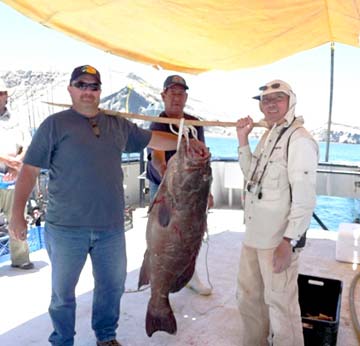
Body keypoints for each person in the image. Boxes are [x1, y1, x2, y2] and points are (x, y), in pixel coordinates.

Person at [9, 65, 207, 346]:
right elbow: (29, 170)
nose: (88, 91)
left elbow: (154, 139)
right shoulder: (54, 124)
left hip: (111, 228)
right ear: (71, 89)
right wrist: (17, 214)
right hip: (66, 228)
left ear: (100, 91)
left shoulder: (117, 124)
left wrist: (188, 141)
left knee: (111, 288)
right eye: (82, 84)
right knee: (62, 294)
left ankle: (106, 337)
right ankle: (62, 340)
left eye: (94, 86)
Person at [235, 80, 319, 346]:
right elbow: (252, 175)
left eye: (277, 98)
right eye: (265, 100)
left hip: (277, 240)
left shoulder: (299, 139)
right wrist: (242, 140)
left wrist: (288, 241)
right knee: (250, 298)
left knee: (281, 306)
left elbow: (305, 199)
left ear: (290, 101)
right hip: (254, 234)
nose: (270, 104)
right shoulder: (269, 135)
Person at [146, 74, 213, 296]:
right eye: (172, 93)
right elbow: (156, 158)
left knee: (192, 233)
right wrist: (168, 179)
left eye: (180, 93)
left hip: (192, 191)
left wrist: (208, 192)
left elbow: (203, 157)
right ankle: (157, 279)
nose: (177, 97)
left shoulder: (195, 123)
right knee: (162, 234)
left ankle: (190, 275)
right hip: (165, 188)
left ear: (186, 97)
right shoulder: (158, 123)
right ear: (163, 95)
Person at [0, 79, 33, 270]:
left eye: (1, 93)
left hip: (14, 177)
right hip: (7, 169)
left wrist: (16, 163)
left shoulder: (18, 119)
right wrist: (7, 160)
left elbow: (28, 144)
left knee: (17, 216)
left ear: (6, 95)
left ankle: (21, 259)